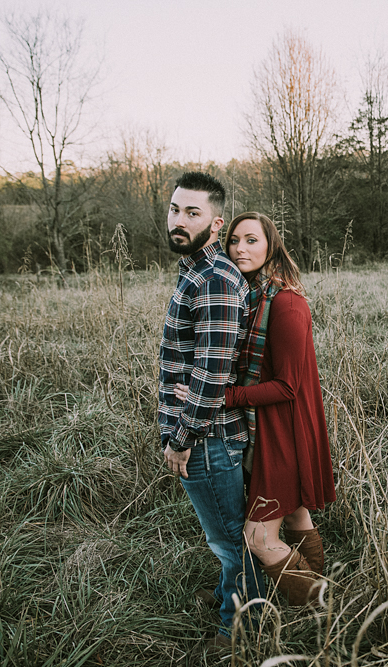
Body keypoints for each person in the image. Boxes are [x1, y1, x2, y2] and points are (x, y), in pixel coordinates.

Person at [176, 211, 336, 607]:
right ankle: (311, 590)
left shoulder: (285, 304)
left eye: (251, 240)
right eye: (234, 240)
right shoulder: (252, 297)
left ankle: (319, 602)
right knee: (296, 516)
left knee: (257, 537)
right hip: (267, 428)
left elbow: (287, 386)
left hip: (285, 433)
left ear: (271, 246)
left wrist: (222, 396)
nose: (240, 248)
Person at [157, 172, 264, 648]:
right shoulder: (196, 272)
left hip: (208, 439)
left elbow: (211, 375)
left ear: (216, 223)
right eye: (175, 209)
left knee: (231, 542)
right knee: (225, 536)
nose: (179, 220)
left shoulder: (216, 280)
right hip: (206, 436)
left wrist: (180, 440)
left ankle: (239, 630)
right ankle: (229, 596)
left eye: (192, 212)